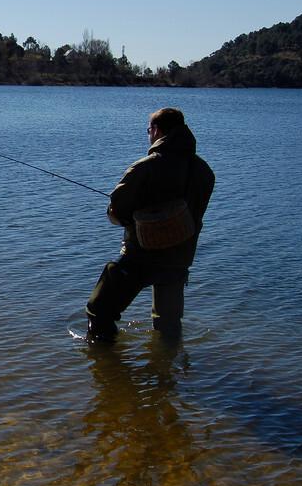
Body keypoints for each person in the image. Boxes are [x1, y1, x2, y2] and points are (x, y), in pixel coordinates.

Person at [86, 107, 215, 343]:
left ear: (156, 130)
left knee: (99, 310)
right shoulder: (204, 171)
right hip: (180, 258)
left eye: (149, 130)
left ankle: (105, 367)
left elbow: (116, 210)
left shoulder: (144, 167)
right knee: (168, 328)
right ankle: (169, 374)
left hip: (140, 256)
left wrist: (133, 221)